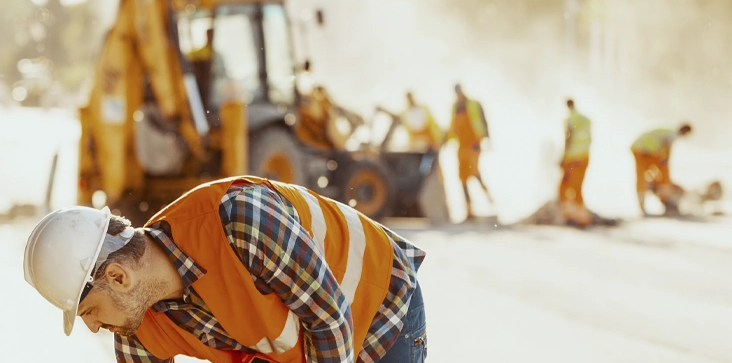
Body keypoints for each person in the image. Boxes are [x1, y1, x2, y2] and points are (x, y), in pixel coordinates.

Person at [24, 176, 427, 363]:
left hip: (378, 308)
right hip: (306, 345)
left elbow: (330, 320)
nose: (93, 327)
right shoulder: (136, 329)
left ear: (116, 277)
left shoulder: (239, 220)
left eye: (89, 311)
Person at [446, 84, 493, 221]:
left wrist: (487, 138)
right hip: (461, 146)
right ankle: (469, 209)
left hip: (474, 144)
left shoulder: (473, 104)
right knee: (462, 177)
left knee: (475, 172)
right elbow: (453, 126)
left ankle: (489, 198)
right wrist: (447, 140)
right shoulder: (455, 107)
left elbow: (483, 121)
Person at [631, 124, 693, 216]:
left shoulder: (668, 132)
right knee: (644, 178)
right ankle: (647, 206)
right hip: (641, 150)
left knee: (656, 175)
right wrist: (666, 160)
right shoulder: (672, 135)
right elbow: (666, 150)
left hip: (645, 151)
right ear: (685, 131)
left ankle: (659, 194)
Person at [559, 98, 593, 226]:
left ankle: (571, 216)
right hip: (584, 157)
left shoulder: (569, 120)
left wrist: (563, 157)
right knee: (577, 187)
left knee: (565, 186)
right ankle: (580, 217)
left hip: (573, 158)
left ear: (567, 105)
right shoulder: (586, 119)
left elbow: (568, 138)